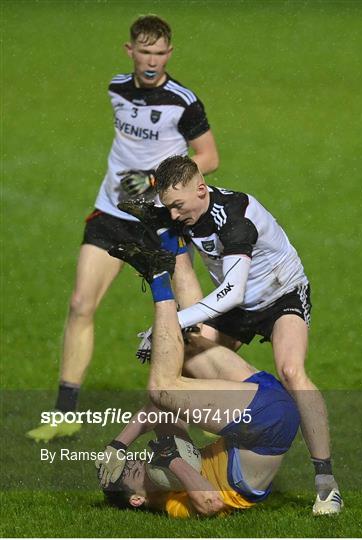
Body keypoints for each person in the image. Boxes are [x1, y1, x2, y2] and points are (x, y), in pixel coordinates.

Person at [26, 16, 219, 443]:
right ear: (129, 50)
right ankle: (64, 413)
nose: (152, 61)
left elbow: (208, 156)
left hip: (156, 220)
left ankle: (214, 402)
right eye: (144, 52)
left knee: (193, 319)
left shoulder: (183, 101)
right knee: (80, 304)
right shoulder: (116, 88)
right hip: (110, 214)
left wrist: (154, 182)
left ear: (170, 53)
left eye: (160, 53)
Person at [116, 155, 343, 515]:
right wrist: (143, 188)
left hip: (279, 294)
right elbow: (134, 203)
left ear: (202, 190)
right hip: (234, 306)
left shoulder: (235, 219)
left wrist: (170, 324)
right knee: (182, 362)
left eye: (178, 206)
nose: (174, 215)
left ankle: (326, 484)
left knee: (291, 372)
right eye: (168, 207)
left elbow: (234, 292)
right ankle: (189, 454)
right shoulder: (181, 207)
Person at [96, 244, 300, 517]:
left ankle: (170, 241)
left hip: (262, 405)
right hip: (267, 424)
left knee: (188, 344)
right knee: (162, 388)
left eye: (134, 461)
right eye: (132, 471)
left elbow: (160, 411)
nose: (138, 463)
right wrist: (173, 460)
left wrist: (118, 445)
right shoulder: (172, 504)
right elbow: (211, 505)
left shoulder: (166, 469)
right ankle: (158, 279)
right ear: (136, 500)